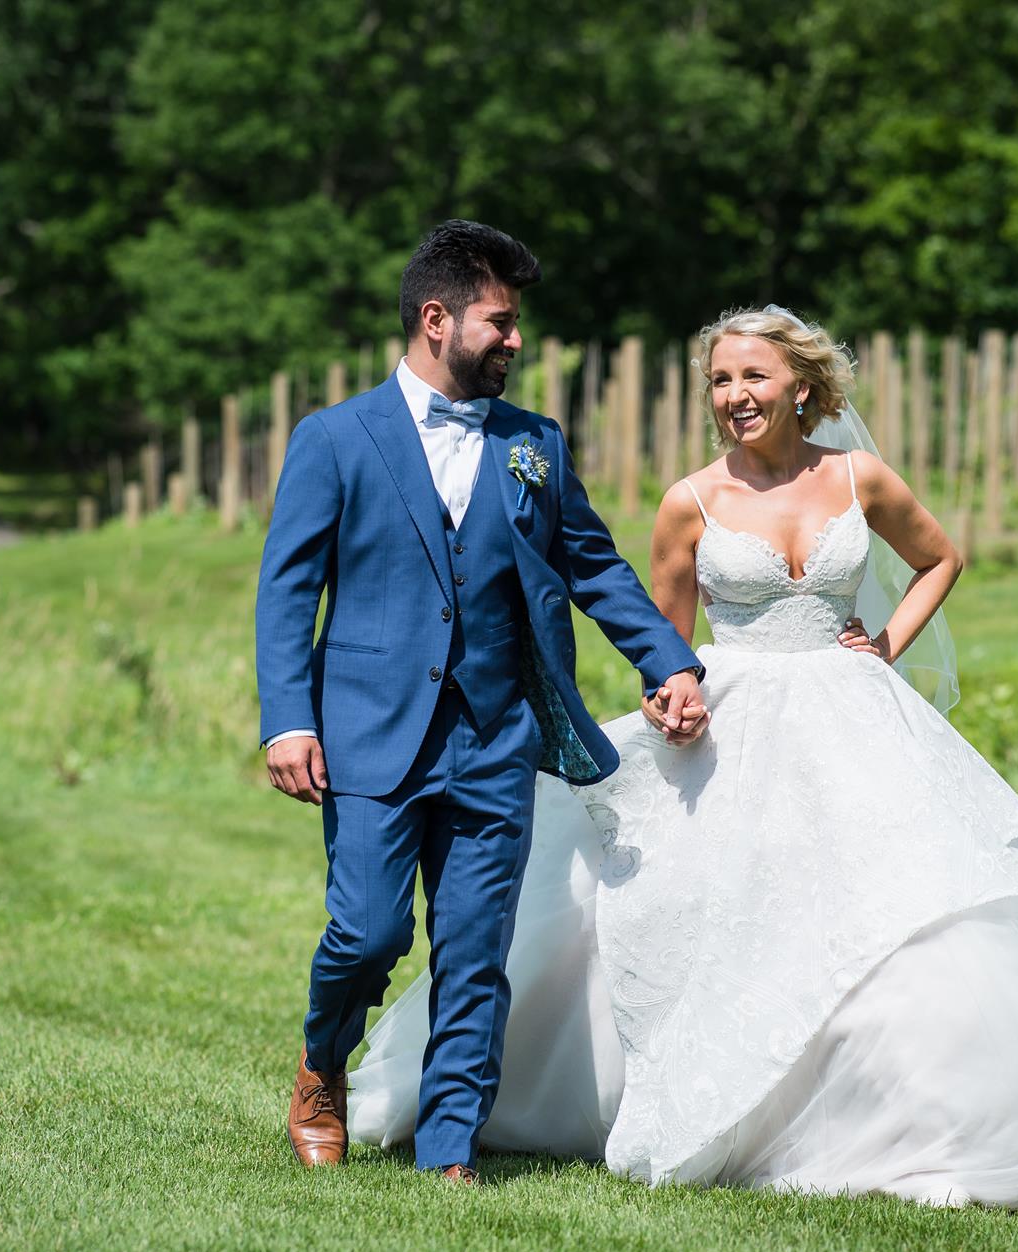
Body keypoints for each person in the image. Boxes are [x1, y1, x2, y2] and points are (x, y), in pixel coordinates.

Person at [348, 306, 1018, 1206]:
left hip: (853, 718)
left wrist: (885, 646)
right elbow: (662, 650)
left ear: (802, 387)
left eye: (753, 377)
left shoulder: (859, 477)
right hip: (734, 727)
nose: (735, 395)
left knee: (899, 905)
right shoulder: (690, 501)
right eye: (720, 380)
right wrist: (668, 699)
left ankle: (919, 1114)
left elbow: (940, 559)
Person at [254, 220, 708, 1186]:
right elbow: (288, 591)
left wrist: (667, 662)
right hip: (369, 733)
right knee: (369, 932)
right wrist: (289, 720)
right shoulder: (333, 439)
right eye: (499, 322)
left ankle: (449, 1149)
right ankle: (322, 1064)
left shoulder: (533, 443)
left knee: (474, 950)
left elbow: (594, 565)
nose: (515, 340)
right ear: (437, 319)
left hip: (498, 735)